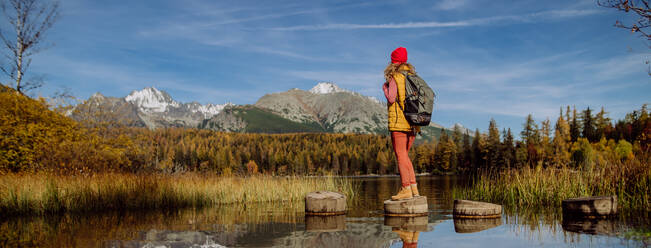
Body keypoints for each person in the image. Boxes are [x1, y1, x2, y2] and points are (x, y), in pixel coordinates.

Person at [383, 47, 420, 201]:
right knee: (405, 155)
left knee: (400, 155)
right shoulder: (413, 77)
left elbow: (391, 98)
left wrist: (385, 88)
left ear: (394, 62)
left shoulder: (395, 77)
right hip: (412, 123)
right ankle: (413, 188)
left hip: (399, 123)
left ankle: (405, 188)